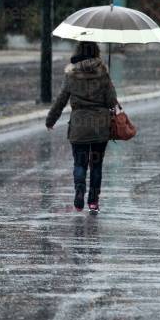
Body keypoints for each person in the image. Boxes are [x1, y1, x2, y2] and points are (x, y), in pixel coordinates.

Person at [45, 41, 118, 213]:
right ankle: (93, 201)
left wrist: (51, 120)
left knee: (80, 163)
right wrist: (109, 84)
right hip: (100, 126)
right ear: (96, 52)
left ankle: (79, 191)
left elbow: (61, 100)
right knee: (96, 165)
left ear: (78, 52)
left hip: (79, 126)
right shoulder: (103, 73)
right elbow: (111, 101)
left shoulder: (71, 74)